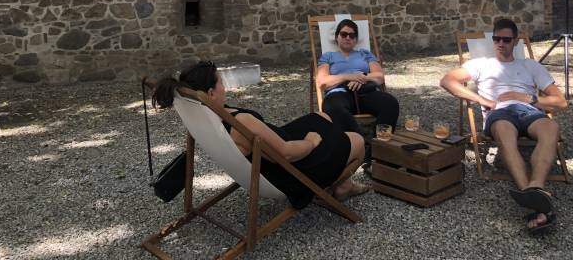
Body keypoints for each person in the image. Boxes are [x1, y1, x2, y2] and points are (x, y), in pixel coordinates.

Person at [152, 60, 368, 209]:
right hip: (290, 170)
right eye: (221, 83)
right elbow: (287, 153)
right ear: (210, 93)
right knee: (357, 142)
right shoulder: (241, 122)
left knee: (323, 117)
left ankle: (342, 182)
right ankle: (342, 187)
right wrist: (310, 143)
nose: (224, 88)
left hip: (269, 155)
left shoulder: (205, 116)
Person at [440, 18, 568, 235]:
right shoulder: (481, 64)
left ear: (515, 41)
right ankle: (532, 194)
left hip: (529, 110)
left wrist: (529, 98)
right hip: (500, 113)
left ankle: (535, 188)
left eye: (506, 39)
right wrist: (483, 100)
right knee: (504, 133)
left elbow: (561, 102)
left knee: (551, 128)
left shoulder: (530, 66)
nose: (500, 43)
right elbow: (447, 81)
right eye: (496, 39)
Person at [316, 19, 399, 161]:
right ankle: (361, 147)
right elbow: (322, 82)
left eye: (352, 35)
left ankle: (378, 150)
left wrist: (362, 77)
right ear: (337, 37)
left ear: (356, 39)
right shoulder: (328, 56)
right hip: (339, 93)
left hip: (366, 92)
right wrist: (348, 76)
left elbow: (379, 77)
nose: (348, 38)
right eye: (344, 34)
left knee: (390, 103)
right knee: (333, 108)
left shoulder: (365, 54)